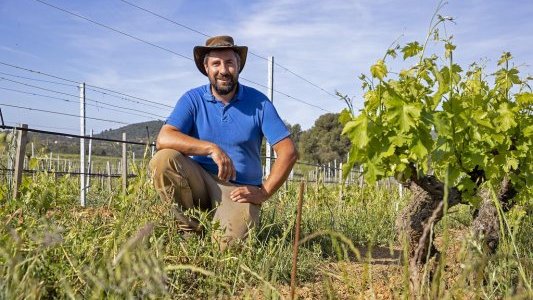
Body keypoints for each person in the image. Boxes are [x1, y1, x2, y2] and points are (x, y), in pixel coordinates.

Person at [149, 35, 298, 250]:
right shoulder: (193, 99)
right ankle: (189, 230)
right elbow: (164, 138)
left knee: (229, 250)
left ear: (238, 66)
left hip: (238, 191)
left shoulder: (259, 103)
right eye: (216, 63)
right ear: (206, 67)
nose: (224, 70)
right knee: (163, 160)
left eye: (229, 62)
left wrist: (264, 192)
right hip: (198, 183)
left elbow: (288, 152)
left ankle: (222, 225)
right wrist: (211, 148)